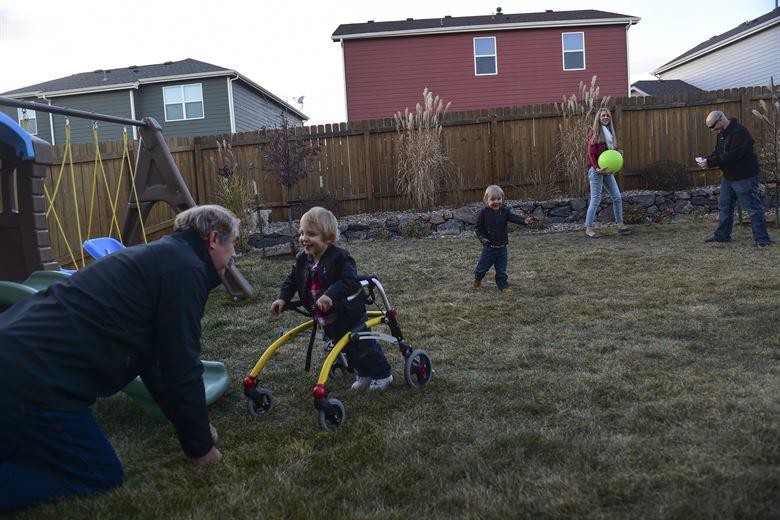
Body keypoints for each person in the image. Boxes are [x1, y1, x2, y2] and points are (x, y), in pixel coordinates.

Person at [0, 204, 238, 511]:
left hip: (14, 356)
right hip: (34, 378)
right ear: (214, 239)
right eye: (233, 246)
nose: (233, 256)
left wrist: (194, 429)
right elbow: (180, 365)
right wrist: (201, 450)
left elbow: (155, 362)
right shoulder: (185, 270)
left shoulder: (161, 258)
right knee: (98, 473)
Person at [271, 206, 393, 391]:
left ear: (328, 238)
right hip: (326, 317)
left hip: (348, 312)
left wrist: (329, 295)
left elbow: (348, 281)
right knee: (345, 348)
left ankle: (383, 374)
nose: (304, 238)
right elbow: (292, 281)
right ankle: (364, 374)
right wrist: (282, 299)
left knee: (363, 345)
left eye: (311, 234)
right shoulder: (302, 259)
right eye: (302, 233)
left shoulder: (340, 257)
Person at [697, 110, 772, 247]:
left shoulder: (740, 132)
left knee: (753, 208)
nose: (713, 130)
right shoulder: (721, 134)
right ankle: (722, 235)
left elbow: (733, 156)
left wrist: (711, 162)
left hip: (745, 177)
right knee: (724, 206)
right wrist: (708, 160)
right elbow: (719, 152)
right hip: (729, 177)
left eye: (713, 126)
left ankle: (762, 240)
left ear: (721, 119)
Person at [473, 185, 533, 293]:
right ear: (486, 200)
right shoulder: (484, 213)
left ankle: (503, 286)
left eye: (499, 199)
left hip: (502, 248)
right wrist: (483, 238)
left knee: (501, 270)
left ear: (502, 199)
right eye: (492, 199)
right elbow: (478, 228)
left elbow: (514, 217)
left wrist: (524, 221)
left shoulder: (505, 211)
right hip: (489, 248)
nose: (496, 202)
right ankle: (478, 278)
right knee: (482, 268)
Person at [584, 107, 633, 238]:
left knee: (617, 197)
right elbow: (591, 153)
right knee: (595, 199)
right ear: (598, 118)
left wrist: (617, 154)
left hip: (608, 171)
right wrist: (596, 168)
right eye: (603, 116)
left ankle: (621, 225)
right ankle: (589, 229)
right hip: (596, 171)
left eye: (607, 116)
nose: (605, 117)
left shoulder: (609, 133)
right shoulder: (594, 132)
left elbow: (607, 154)